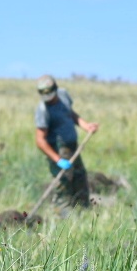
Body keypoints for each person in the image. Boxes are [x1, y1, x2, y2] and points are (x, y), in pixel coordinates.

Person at [34, 75, 98, 209]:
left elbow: (70, 113)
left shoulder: (63, 95)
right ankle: (64, 218)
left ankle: (83, 211)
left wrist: (86, 126)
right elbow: (40, 140)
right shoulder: (43, 110)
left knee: (80, 178)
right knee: (63, 184)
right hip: (58, 149)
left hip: (72, 147)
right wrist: (58, 160)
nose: (49, 99)